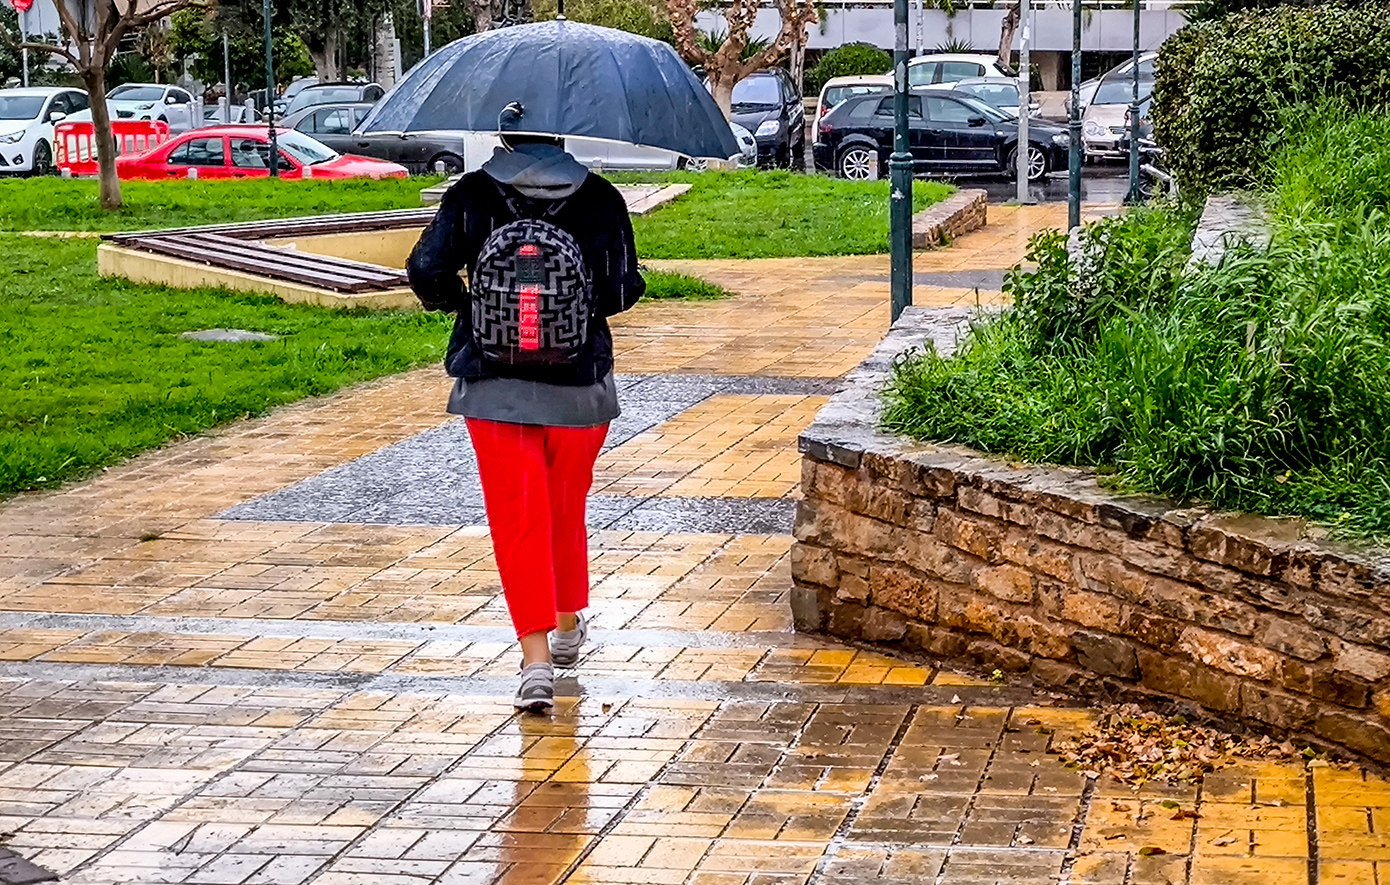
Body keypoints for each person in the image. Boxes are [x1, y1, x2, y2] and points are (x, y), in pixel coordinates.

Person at [407, 132, 644, 713]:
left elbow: (424, 270)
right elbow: (619, 291)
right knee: (564, 507)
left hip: (494, 388)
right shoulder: (601, 199)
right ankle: (567, 624)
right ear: (563, 136)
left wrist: (475, 308)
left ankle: (536, 662)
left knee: (519, 519)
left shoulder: (472, 193)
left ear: (504, 135)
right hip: (579, 387)